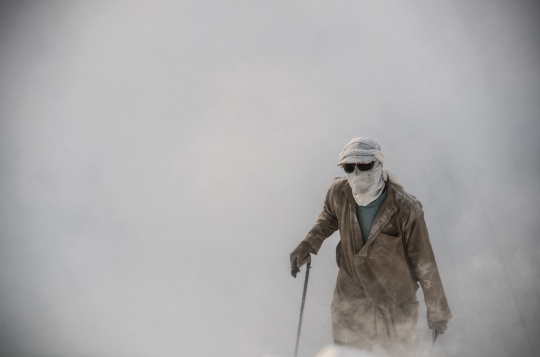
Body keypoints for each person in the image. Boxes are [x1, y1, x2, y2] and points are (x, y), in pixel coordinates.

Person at [290, 137, 452, 356]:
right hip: (351, 300)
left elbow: (424, 262)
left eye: (364, 165)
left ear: (378, 164)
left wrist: (438, 311)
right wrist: (308, 243)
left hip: (394, 303)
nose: (357, 173)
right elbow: (329, 216)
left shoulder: (406, 208)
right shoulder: (339, 193)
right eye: (349, 167)